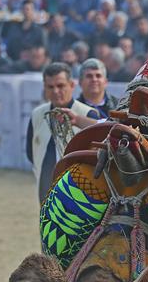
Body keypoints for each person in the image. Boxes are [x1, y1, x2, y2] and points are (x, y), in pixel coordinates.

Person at [26, 63, 101, 202]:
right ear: (45, 88)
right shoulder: (37, 114)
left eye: (60, 86)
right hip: (45, 186)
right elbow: (31, 153)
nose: (55, 91)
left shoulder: (88, 115)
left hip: (80, 190)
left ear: (72, 85)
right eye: (50, 87)